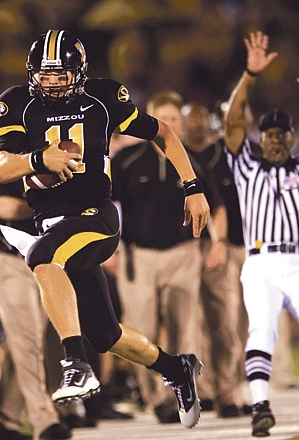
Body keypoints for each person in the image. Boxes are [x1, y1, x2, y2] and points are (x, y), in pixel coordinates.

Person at [0, 29, 210, 429]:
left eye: (61, 75)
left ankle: (75, 363)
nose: (53, 83)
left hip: (96, 216)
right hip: (55, 224)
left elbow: (163, 132)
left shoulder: (104, 98)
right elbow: (0, 168)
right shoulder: (15, 104)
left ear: (80, 73)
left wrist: (192, 187)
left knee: (41, 255)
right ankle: (177, 368)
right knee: (105, 335)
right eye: (45, 75)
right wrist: (40, 159)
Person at [223, 31, 299, 437]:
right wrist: (250, 76)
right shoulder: (246, 167)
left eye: (281, 133)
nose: (274, 139)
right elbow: (232, 121)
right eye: (268, 133)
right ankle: (260, 408)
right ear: (262, 138)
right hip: (260, 261)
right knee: (262, 330)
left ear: (291, 137)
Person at [110, 91, 204, 424]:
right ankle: (157, 398)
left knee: (184, 328)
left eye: (175, 119)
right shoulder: (126, 160)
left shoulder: (192, 158)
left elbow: (214, 204)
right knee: (141, 329)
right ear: (149, 121)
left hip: (182, 252)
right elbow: (111, 207)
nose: (170, 125)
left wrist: (215, 243)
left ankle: (187, 392)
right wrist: (111, 248)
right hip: (141, 254)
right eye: (163, 119)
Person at [0, 156, 72, 440]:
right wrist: (47, 205)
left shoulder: (60, 163)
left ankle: (5, 421)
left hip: (45, 260)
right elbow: (1, 206)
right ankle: (44, 421)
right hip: (8, 258)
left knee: (23, 342)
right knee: (28, 342)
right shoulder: (4, 165)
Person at [181, 101, 249, 418]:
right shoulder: (174, 155)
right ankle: (203, 390)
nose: (194, 124)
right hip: (183, 249)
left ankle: (231, 389)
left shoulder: (222, 153)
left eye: (199, 117)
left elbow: (219, 208)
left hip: (224, 244)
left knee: (227, 322)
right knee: (193, 326)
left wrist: (219, 242)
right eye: (187, 119)